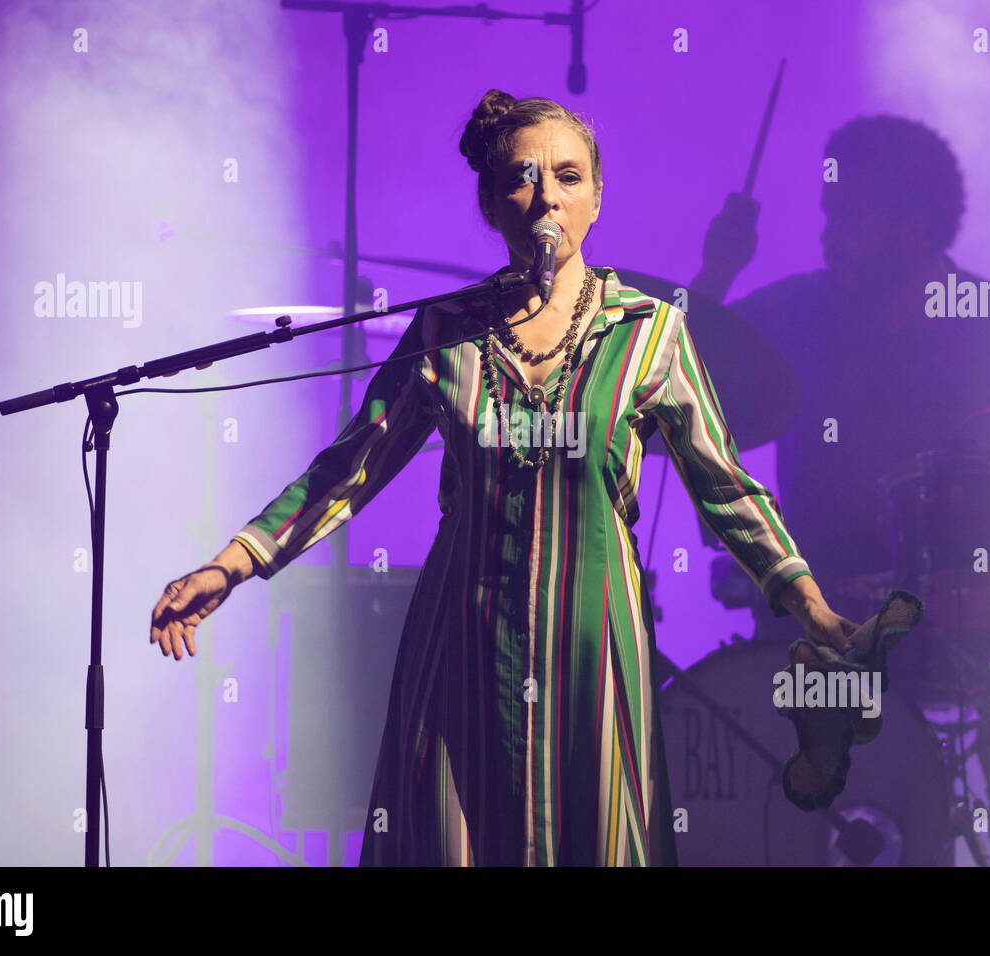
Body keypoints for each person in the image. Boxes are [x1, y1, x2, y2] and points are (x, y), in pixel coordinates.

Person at [150, 90, 857, 867]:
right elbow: (350, 465)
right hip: (461, 641)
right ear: (492, 203)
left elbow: (726, 488)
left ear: (595, 199)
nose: (547, 194)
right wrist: (232, 563)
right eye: (522, 177)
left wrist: (809, 604)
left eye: (568, 176)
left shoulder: (649, 333)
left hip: (594, 643)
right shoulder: (446, 332)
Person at [693, 114, 990, 866]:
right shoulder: (796, 314)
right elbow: (674, 373)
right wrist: (716, 271)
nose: (827, 231)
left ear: (908, 225)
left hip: (979, 601)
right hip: (826, 597)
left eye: (845, 213)